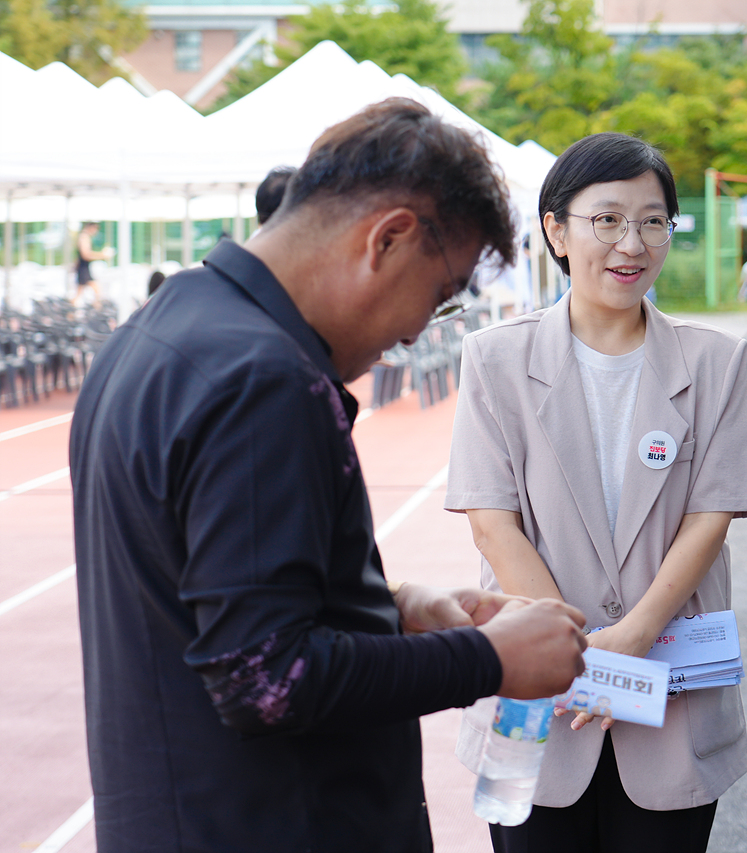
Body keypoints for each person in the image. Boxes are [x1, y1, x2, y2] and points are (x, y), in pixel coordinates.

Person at [69, 98, 589, 853]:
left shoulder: (157, 331)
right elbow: (266, 678)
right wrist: (491, 659)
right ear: (388, 238)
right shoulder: (266, 380)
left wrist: (387, 607)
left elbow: (213, 597)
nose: (417, 331)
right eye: (438, 295)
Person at [446, 131, 747, 853]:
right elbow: (492, 521)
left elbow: (711, 515)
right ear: (556, 229)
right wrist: (575, 652)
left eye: (654, 221)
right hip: (538, 692)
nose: (632, 242)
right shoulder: (494, 358)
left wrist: (637, 634)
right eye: (608, 219)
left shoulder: (714, 362)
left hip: (671, 690)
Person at [74, 221, 113, 307]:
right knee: (89, 291)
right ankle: (96, 308)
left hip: (84, 267)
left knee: (91, 290)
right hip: (83, 268)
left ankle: (97, 308)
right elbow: (86, 255)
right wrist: (102, 255)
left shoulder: (84, 237)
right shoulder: (84, 237)